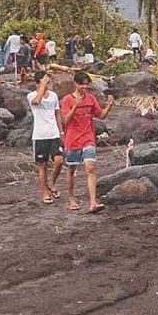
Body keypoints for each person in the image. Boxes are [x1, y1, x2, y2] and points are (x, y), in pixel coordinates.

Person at [61, 72, 114, 213]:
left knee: (90, 168)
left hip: (88, 137)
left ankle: (93, 202)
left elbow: (101, 115)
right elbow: (65, 120)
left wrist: (109, 106)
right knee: (72, 169)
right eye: (82, 84)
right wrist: (75, 106)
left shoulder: (90, 99)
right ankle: (71, 199)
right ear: (75, 84)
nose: (84, 86)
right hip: (72, 139)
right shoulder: (67, 100)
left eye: (86, 84)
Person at [29, 71, 64, 205]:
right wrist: (42, 87)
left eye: (48, 82)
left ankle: (52, 183)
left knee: (59, 161)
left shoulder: (53, 96)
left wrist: (61, 132)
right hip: (40, 135)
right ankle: (45, 192)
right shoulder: (31, 95)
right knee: (42, 165)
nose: (48, 85)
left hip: (53, 133)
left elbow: (57, 114)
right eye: (45, 82)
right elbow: (36, 102)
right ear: (38, 82)